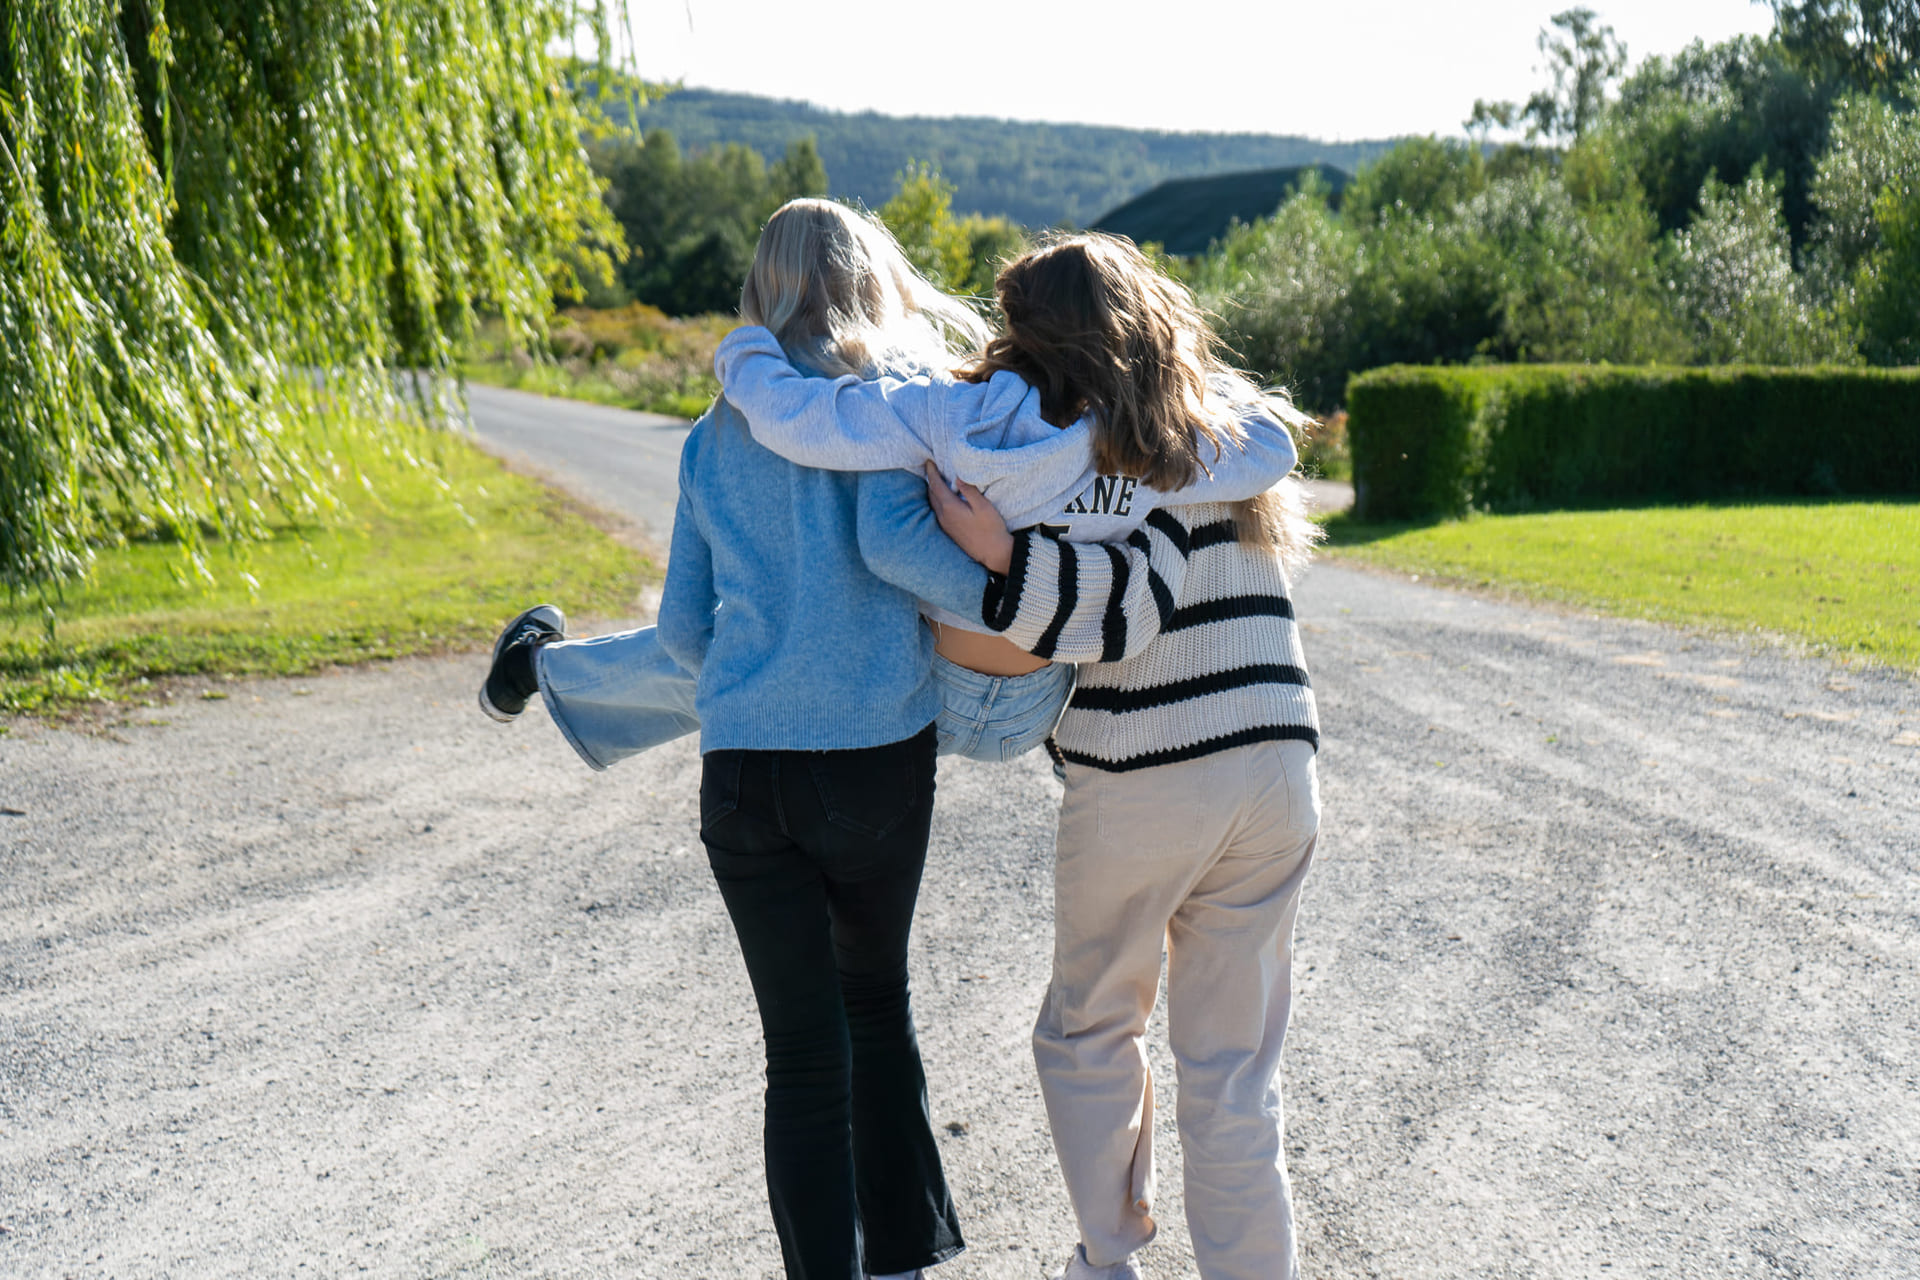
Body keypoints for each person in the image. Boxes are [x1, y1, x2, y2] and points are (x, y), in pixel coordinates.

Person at [727, 234, 1323, 1280]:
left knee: (1091, 1031)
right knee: (1234, 1072)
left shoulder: (1065, 439)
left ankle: (1109, 1260)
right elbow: (1272, 444)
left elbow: (1120, 614)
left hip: (1146, 766)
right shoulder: (1214, 421)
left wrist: (1004, 560)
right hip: (1278, 765)